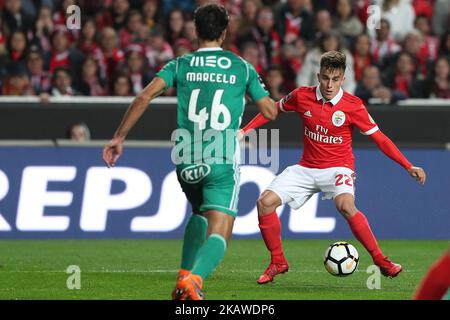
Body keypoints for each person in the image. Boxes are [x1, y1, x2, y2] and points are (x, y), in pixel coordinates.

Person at [102, 3, 276, 300]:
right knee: (220, 231)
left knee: (198, 212)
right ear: (224, 32)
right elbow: (269, 111)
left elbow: (144, 96)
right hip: (221, 158)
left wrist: (119, 137)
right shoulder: (241, 66)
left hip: (185, 160)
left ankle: (183, 276)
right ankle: (194, 279)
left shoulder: (180, 64)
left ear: (196, 31)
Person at [239, 51, 426, 284]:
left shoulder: (353, 106)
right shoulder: (302, 96)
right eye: (326, 78)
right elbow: (272, 110)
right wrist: (244, 131)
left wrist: (408, 165)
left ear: (343, 79)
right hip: (306, 167)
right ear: (318, 76)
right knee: (264, 203)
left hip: (339, 168)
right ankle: (278, 261)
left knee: (346, 205)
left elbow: (380, 139)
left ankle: (381, 261)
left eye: (335, 79)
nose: (329, 84)